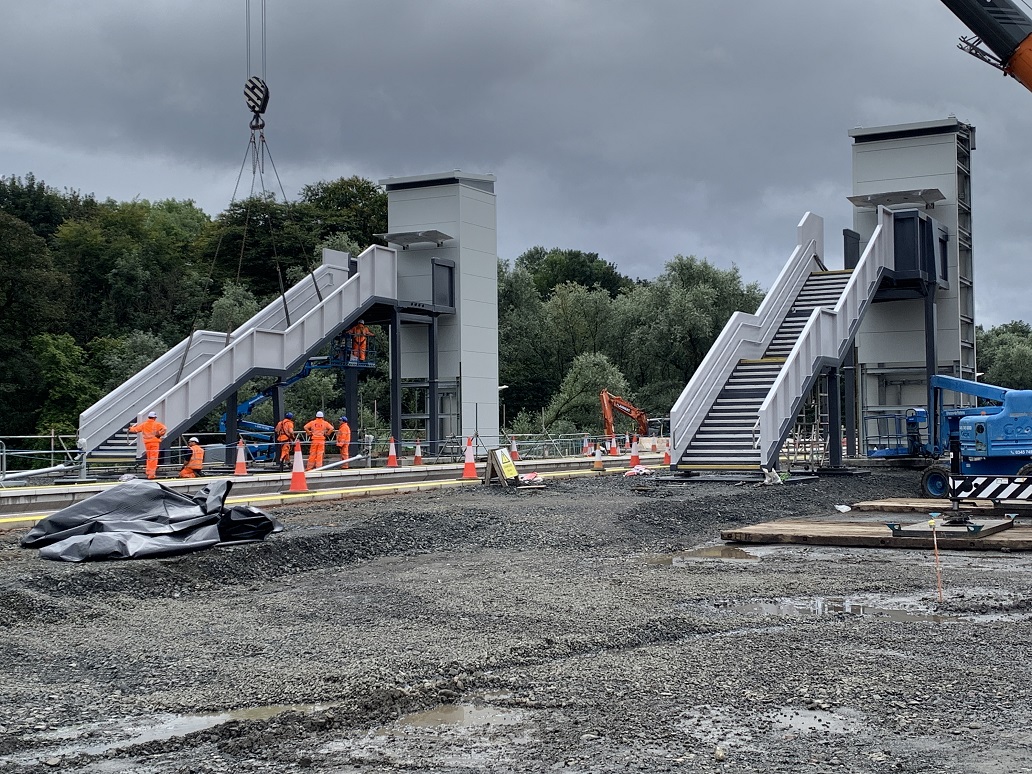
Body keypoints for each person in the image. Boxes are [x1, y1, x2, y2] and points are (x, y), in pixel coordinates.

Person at [128, 411, 167, 480]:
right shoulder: (157, 424)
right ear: (154, 418)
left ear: (149, 417)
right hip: (154, 443)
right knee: (153, 458)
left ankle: (148, 472)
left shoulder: (144, 424)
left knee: (149, 458)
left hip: (147, 443)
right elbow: (164, 428)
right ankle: (151, 474)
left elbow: (136, 429)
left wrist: (130, 429)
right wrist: (160, 434)